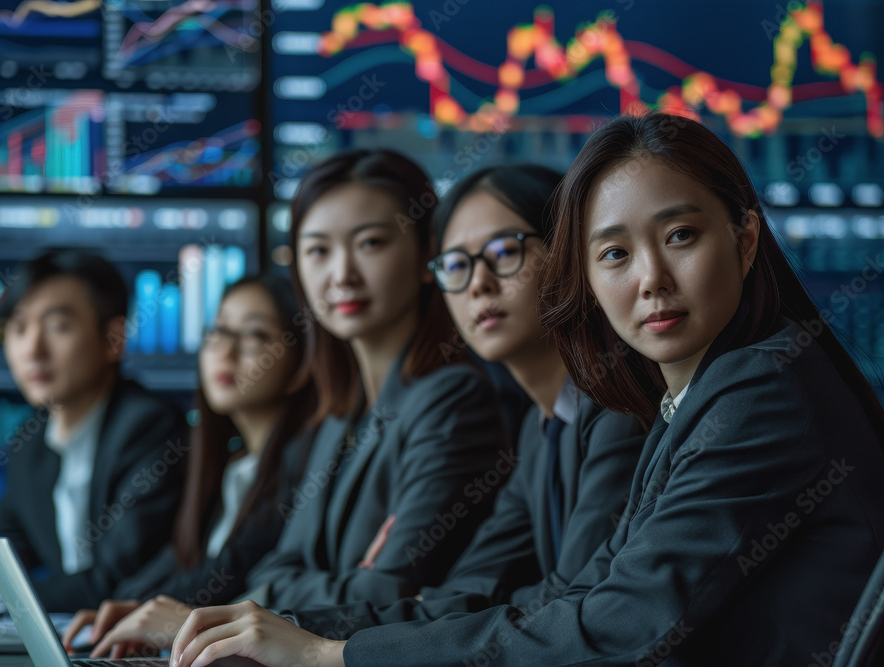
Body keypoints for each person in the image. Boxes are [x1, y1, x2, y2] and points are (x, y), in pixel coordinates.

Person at [166, 113, 884, 667]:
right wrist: (309, 637)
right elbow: (571, 597)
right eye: (614, 254)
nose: (650, 279)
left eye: (682, 236)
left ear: (746, 239)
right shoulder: (685, 403)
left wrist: (332, 655)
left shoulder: (758, 388)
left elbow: (618, 626)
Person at [83, 149, 510, 656]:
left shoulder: (450, 398)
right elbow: (278, 567)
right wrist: (327, 582)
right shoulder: (337, 418)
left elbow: (385, 592)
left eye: (370, 243)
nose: (342, 274)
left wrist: (282, 600)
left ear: (426, 258)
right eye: (317, 250)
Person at [278, 164, 644, 639]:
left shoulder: (615, 404)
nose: (479, 284)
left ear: (570, 253)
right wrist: (286, 625)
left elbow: (575, 601)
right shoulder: (542, 428)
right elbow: (469, 592)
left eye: (503, 252)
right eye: (456, 264)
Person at [0, 249, 187, 615]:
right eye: (19, 327)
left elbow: (116, 585)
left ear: (113, 339)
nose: (33, 349)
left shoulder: (150, 428)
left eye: (58, 326)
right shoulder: (33, 441)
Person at [61, 274, 317, 657]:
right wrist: (124, 611)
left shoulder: (306, 467)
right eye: (218, 332)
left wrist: (158, 614)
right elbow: (176, 565)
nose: (224, 352)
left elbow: (226, 572)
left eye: (254, 336)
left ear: (303, 356)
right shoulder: (227, 469)